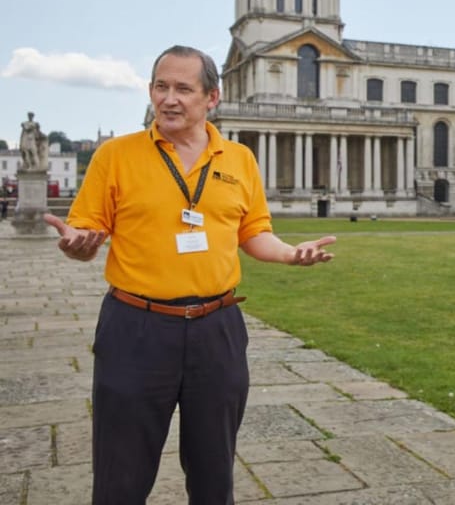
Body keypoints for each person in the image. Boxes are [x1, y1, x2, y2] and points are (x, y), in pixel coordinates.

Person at [43, 45, 337, 504]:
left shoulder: (239, 159)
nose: (169, 99)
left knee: (213, 474)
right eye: (161, 87)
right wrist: (77, 246)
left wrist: (289, 254)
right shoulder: (115, 156)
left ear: (211, 97)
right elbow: (87, 232)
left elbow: (254, 232)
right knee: (121, 475)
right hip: (135, 327)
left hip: (216, 329)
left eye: (183, 88)